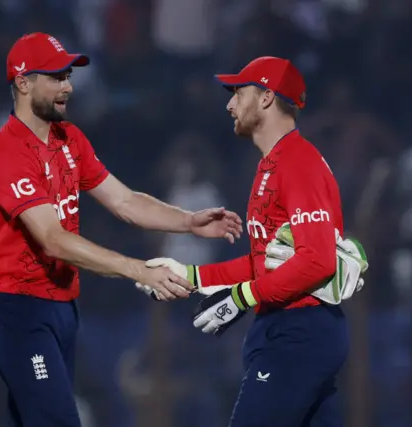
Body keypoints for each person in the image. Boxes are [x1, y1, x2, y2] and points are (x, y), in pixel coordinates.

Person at [0, 32, 243, 427]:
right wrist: (138, 269)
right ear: (22, 83)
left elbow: (125, 201)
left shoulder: (69, 140)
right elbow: (52, 239)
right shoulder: (7, 155)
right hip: (19, 312)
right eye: (55, 77)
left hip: (61, 307)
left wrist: (187, 221)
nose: (67, 86)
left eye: (67, 76)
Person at [141, 57, 348, 426]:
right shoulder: (271, 166)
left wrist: (243, 297)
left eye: (239, 93)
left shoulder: (298, 162)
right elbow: (264, 263)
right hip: (291, 328)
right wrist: (190, 276)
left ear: (267, 98)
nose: (229, 104)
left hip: (297, 331)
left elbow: (318, 261)